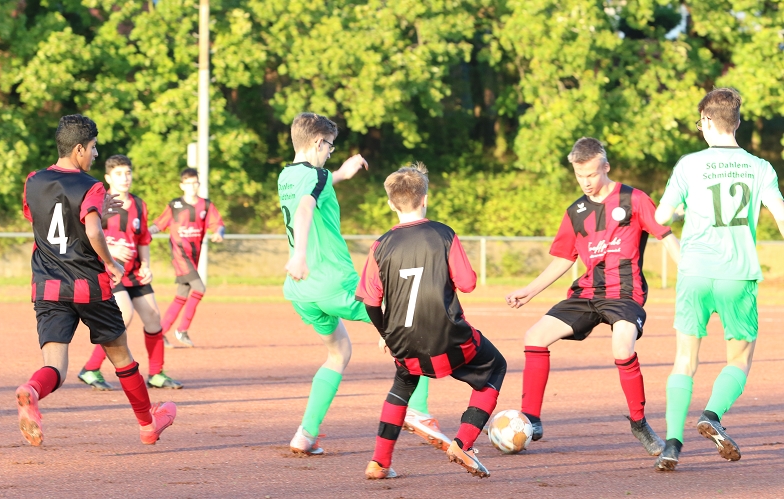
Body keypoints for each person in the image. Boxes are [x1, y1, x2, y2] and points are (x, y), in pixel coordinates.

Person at [279, 113, 446, 456]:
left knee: (338, 352)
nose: (330, 152)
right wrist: (300, 256)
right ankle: (418, 409)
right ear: (316, 142)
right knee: (417, 321)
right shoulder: (316, 176)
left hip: (302, 291)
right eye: (328, 146)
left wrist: (342, 172)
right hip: (333, 282)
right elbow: (307, 206)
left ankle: (305, 434)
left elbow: (314, 186)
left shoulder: (287, 175)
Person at [505, 137, 680, 456]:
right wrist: (528, 291)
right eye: (579, 175)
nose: (585, 181)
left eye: (591, 174)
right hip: (587, 292)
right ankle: (531, 419)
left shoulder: (634, 199)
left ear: (606, 167)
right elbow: (563, 258)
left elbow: (665, 236)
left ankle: (639, 423)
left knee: (622, 343)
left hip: (625, 292)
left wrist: (689, 275)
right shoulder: (576, 211)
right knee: (535, 337)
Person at [16, 114, 176, 447]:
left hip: (47, 285)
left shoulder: (33, 180)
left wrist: (92, 212)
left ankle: (32, 390)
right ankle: (148, 423)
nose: (95, 154)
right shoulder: (91, 185)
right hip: (89, 285)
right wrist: (110, 260)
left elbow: (44, 220)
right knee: (121, 356)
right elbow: (90, 230)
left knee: (55, 367)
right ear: (78, 149)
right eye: (93, 148)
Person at [653, 88, 784, 471]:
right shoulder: (760, 167)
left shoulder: (688, 165)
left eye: (700, 123)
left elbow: (661, 218)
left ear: (708, 121)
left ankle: (672, 445)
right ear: (737, 122)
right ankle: (711, 414)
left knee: (684, 360)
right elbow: (780, 215)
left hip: (694, 272)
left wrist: (678, 209)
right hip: (737, 275)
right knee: (740, 358)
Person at [357, 163, 507, 479]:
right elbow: (467, 283)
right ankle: (463, 442)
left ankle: (379, 462)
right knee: (495, 366)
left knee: (402, 384)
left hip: (404, 342)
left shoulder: (380, 245)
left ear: (390, 203)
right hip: (449, 338)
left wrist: (387, 334)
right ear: (425, 199)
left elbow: (371, 302)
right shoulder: (443, 234)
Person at [77, 155, 181, 391]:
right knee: (124, 314)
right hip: (110, 270)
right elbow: (85, 235)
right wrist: (111, 249)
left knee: (154, 317)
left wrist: (146, 265)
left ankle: (156, 374)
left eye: (128, 173)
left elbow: (143, 238)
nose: (125, 178)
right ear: (108, 178)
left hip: (134, 272)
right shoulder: (99, 202)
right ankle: (91, 368)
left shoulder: (139, 204)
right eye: (119, 174)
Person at [149, 168, 225, 348]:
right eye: (188, 183)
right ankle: (182, 329)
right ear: (182, 185)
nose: (192, 186)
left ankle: (160, 334)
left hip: (193, 257)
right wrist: (146, 233)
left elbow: (218, 224)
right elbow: (159, 224)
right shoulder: (175, 205)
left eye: (195, 183)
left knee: (182, 294)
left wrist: (219, 233)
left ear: (199, 184)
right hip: (180, 255)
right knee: (199, 288)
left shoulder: (206, 206)